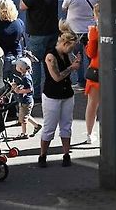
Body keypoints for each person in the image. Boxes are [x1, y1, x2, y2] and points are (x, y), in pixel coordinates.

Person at [39, 26, 80, 168]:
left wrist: (74, 64)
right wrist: (72, 68)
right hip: (52, 96)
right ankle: (43, 155)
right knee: (49, 127)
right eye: (71, 47)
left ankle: (66, 154)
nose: (72, 50)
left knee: (66, 125)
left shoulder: (65, 54)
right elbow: (56, 77)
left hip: (67, 94)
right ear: (64, 44)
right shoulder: (50, 56)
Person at [20, 0, 63, 98]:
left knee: (35, 62)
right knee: (50, 60)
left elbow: (22, 6)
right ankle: (52, 88)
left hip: (37, 34)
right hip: (52, 31)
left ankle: (36, 95)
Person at [62, 0, 98, 89]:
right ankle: (93, 77)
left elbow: (64, 8)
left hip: (74, 29)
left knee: (78, 56)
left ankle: (81, 81)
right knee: (91, 55)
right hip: (90, 29)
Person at [0, 0, 25, 82]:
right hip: (17, 56)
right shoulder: (19, 23)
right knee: (17, 84)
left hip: (3, 59)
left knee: (3, 84)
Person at [10, 57, 42, 138]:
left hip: (26, 101)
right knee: (26, 115)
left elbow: (29, 89)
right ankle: (36, 126)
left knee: (23, 120)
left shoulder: (26, 78)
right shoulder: (25, 75)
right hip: (25, 100)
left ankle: (24, 134)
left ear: (20, 68)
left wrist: (18, 91)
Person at [84, 3, 101, 144]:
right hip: (113, 71)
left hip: (96, 70)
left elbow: (90, 53)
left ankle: (90, 133)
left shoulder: (95, 30)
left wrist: (90, 38)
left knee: (92, 105)